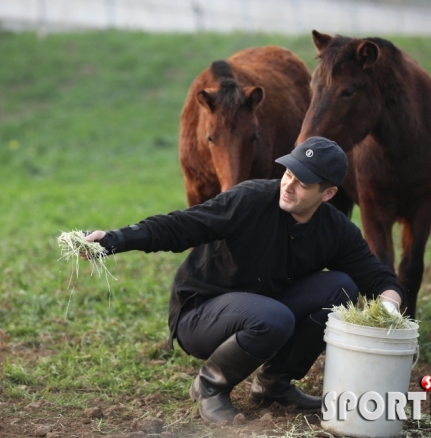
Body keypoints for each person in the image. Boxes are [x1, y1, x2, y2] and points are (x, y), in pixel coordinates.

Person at [83, 136, 404, 423]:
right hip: (201, 314)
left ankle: (273, 384)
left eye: (303, 182)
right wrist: (114, 239)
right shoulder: (250, 200)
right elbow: (180, 226)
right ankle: (209, 386)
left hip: (264, 310)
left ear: (328, 193)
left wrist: (388, 311)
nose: (289, 185)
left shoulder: (336, 231)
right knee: (272, 317)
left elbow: (379, 279)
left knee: (342, 287)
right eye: (288, 172)